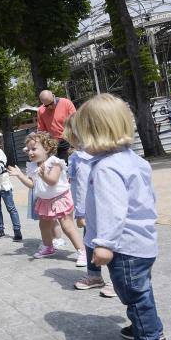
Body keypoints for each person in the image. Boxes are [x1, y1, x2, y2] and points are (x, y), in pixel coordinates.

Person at [74, 93, 165, 340]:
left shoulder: (106, 168)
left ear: (95, 134)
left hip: (123, 246)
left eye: (81, 135)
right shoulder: (134, 160)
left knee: (134, 296)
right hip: (142, 242)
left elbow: (113, 211)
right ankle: (151, 329)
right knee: (142, 291)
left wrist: (103, 244)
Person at [7, 132, 86, 266]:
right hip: (44, 200)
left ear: (47, 148)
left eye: (34, 149)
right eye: (28, 150)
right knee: (43, 225)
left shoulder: (54, 162)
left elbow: (53, 181)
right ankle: (48, 247)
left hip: (60, 198)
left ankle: (82, 251)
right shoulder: (32, 166)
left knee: (67, 226)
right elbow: (32, 185)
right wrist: (20, 175)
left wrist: (43, 175)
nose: (30, 152)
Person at [63, 117, 116, 297]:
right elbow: (77, 187)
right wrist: (81, 212)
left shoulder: (94, 156)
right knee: (89, 241)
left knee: (109, 242)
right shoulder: (76, 157)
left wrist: (81, 212)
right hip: (88, 210)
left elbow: (88, 186)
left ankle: (116, 279)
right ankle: (94, 275)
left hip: (102, 209)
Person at [36, 90, 77, 162]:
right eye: (46, 105)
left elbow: (75, 122)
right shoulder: (41, 111)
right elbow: (41, 130)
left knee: (68, 166)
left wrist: (74, 142)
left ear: (53, 96)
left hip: (68, 140)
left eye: (52, 103)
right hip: (53, 144)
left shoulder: (66, 103)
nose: (50, 107)